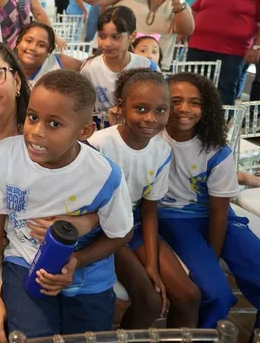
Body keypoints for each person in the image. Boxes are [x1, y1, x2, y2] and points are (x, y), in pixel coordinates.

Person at [0, 70, 134, 338]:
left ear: (85, 131)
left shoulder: (105, 175)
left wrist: (78, 261)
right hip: (24, 262)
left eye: (54, 124)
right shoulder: (6, 155)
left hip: (89, 280)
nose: (36, 132)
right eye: (33, 117)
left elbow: (121, 233)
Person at [159, 73, 260, 333]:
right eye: (175, 100)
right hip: (173, 218)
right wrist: (210, 266)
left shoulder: (216, 150)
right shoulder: (150, 140)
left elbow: (220, 213)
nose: (184, 109)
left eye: (195, 102)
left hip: (220, 217)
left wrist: (213, 255)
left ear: (207, 107)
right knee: (215, 293)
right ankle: (205, 335)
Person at [89, 69, 200, 329]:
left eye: (160, 110)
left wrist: (151, 264)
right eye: (140, 108)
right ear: (121, 107)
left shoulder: (162, 150)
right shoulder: (100, 145)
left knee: (189, 296)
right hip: (101, 230)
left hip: (135, 223)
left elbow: (149, 209)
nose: (150, 118)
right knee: (150, 302)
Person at [80, 6, 159, 114]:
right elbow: (84, 108)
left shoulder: (148, 67)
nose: (107, 43)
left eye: (115, 37)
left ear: (132, 36)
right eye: (102, 36)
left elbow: (158, 103)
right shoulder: (89, 69)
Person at [15, 22, 82, 88]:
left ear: (49, 51)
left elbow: (86, 68)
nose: (33, 48)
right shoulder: (8, 67)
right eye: (29, 41)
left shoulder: (59, 63)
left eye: (41, 45)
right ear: (18, 42)